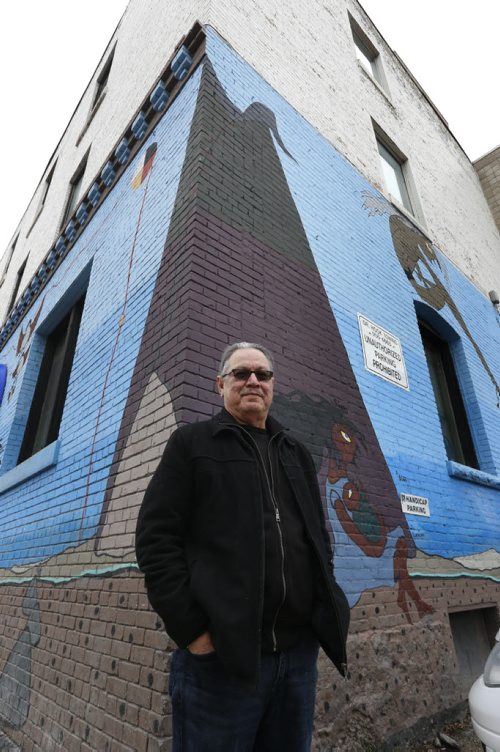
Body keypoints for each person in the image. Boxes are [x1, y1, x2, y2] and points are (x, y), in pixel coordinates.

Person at [135, 342, 350, 751]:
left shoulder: (296, 453)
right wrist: (194, 633)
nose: (253, 380)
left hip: (297, 659)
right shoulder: (192, 445)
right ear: (220, 385)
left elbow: (318, 539)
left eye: (263, 374)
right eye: (241, 373)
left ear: (272, 386)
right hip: (222, 663)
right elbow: (154, 539)